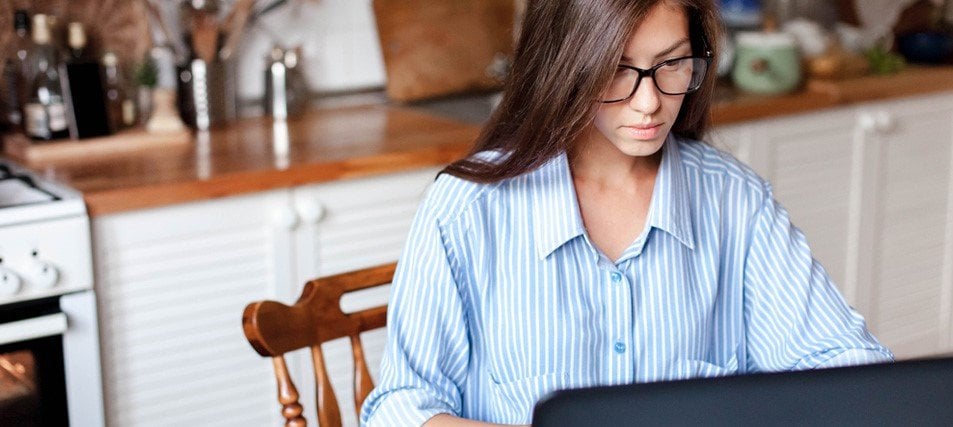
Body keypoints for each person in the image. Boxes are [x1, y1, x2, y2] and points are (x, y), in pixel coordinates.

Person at [361, 0, 893, 425]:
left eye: (672, 64)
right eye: (617, 69)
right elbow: (402, 406)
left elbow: (847, 371)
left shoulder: (737, 203)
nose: (649, 103)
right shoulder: (467, 208)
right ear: (566, 65)